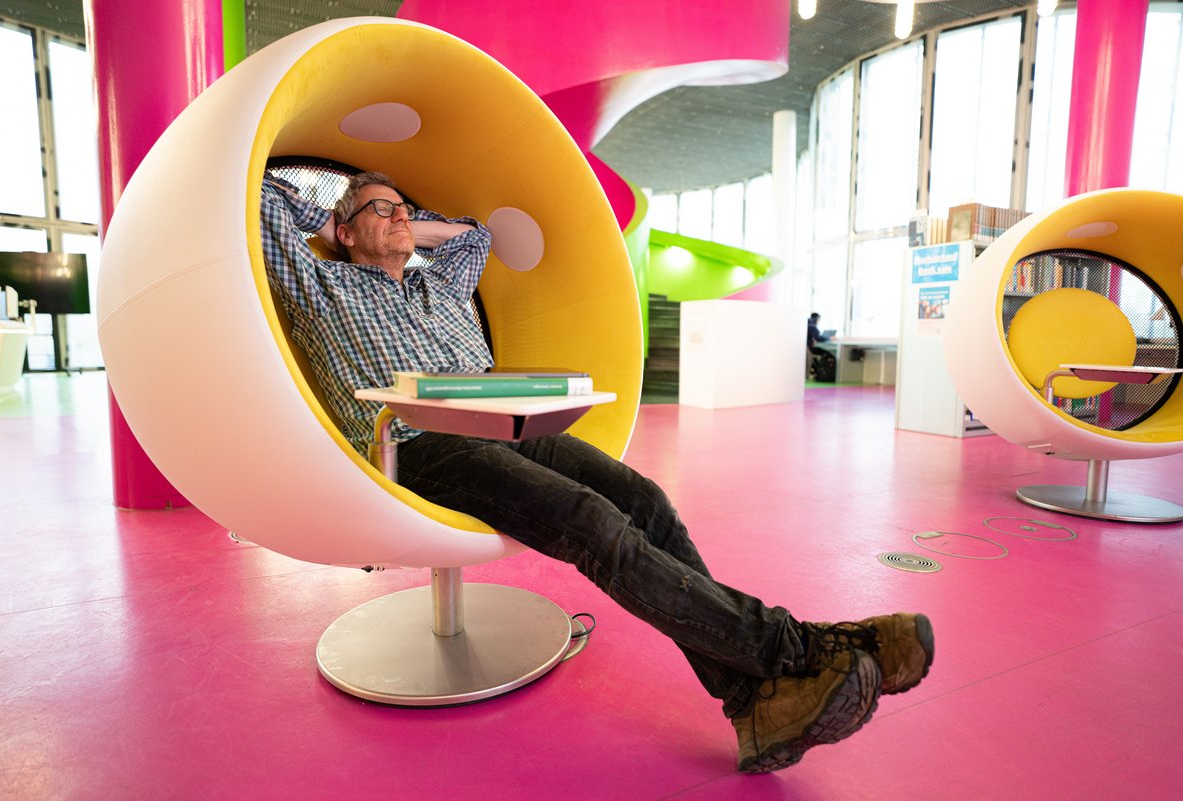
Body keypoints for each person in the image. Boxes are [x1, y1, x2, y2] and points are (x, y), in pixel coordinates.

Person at [260, 172, 935, 774]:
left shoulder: (441, 279)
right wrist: (334, 220)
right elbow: (263, 204)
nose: (402, 217)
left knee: (646, 499)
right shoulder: (322, 283)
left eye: (406, 207)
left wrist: (396, 216)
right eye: (382, 210)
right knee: (591, 521)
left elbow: (476, 236)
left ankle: (752, 698)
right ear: (344, 230)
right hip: (418, 442)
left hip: (504, 426)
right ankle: (802, 649)